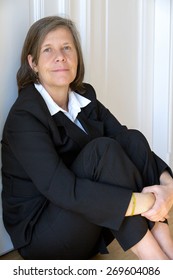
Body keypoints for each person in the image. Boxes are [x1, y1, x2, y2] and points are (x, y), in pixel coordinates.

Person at [1, 16, 173, 260]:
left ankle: (168, 249)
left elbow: (127, 141)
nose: (60, 56)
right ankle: (157, 262)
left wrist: (168, 188)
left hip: (88, 224)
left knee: (131, 139)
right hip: (45, 238)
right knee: (101, 152)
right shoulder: (25, 117)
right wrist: (145, 202)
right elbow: (63, 190)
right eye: (48, 49)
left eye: (66, 48)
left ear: (77, 57)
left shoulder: (84, 95)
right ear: (33, 63)